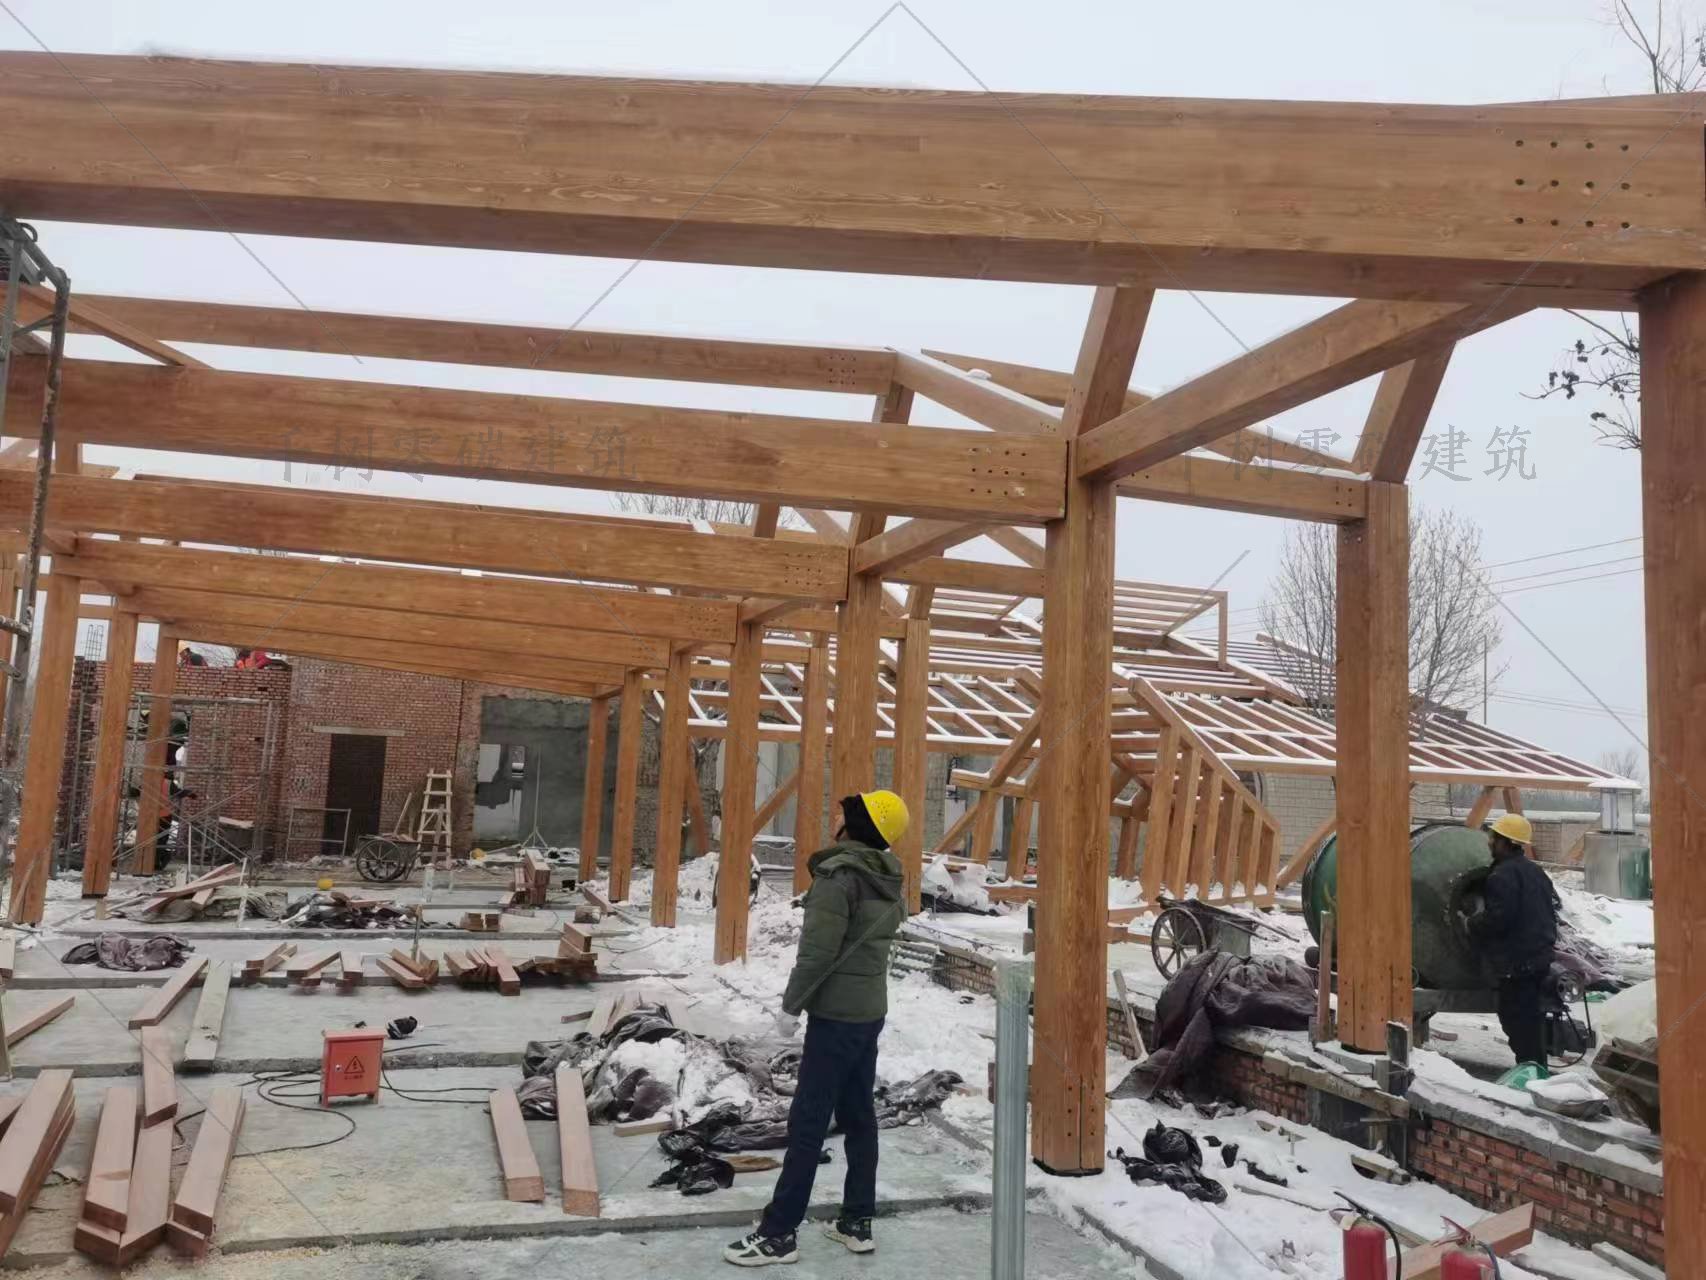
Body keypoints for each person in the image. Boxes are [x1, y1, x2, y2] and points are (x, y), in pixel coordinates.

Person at [723, 789, 910, 1268]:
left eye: (846, 814)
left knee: (808, 1122)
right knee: (859, 1116)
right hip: (869, 1013)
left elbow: (817, 955)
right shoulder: (888, 876)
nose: (837, 820)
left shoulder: (838, 877)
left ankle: (779, 1234)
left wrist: (791, 1007)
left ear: (857, 825)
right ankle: (856, 1221)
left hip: (835, 1019)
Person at [1466, 813, 1559, 1071]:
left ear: (1505, 843)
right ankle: (1536, 1070)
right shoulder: (1536, 872)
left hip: (1517, 964)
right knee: (1532, 1020)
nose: (1489, 842)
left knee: (1518, 1022)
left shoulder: (1502, 876)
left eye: (1494, 838)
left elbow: (1499, 919)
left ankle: (1531, 1073)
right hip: (1539, 960)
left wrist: (1471, 923)